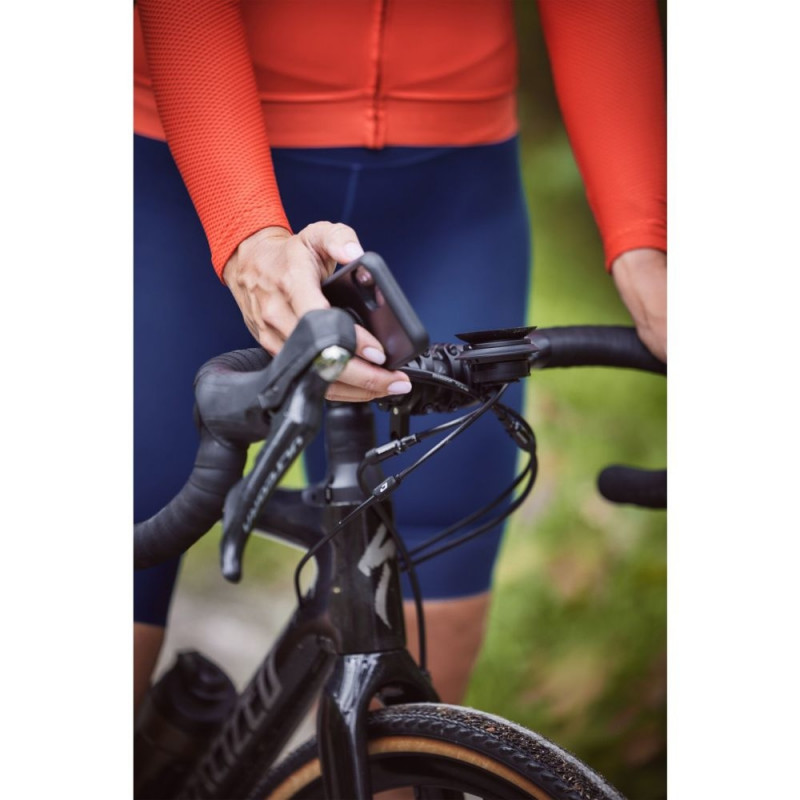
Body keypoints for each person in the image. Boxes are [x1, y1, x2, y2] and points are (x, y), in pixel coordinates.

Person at [133, 0, 666, 714]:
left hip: (451, 197)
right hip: (178, 168)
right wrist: (244, 231)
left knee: (420, 696)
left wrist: (645, 247)